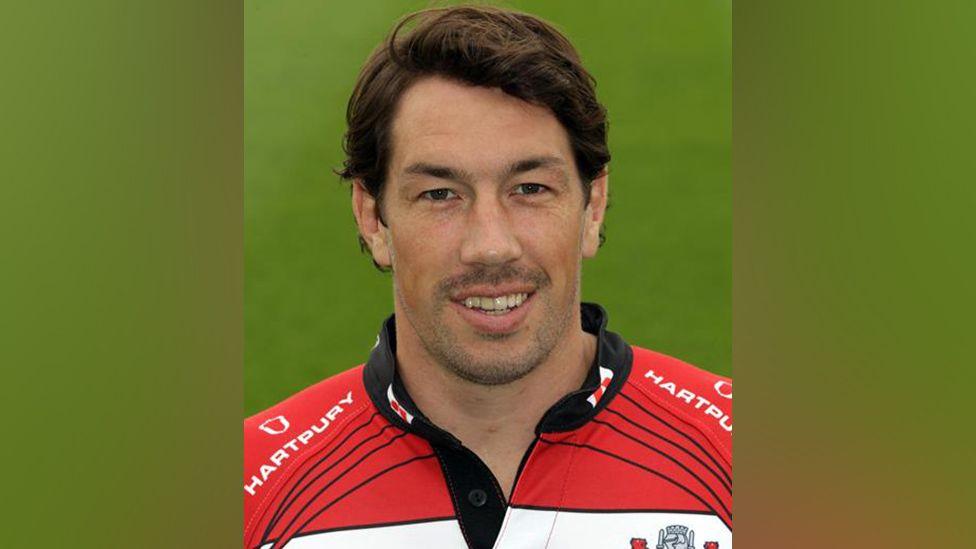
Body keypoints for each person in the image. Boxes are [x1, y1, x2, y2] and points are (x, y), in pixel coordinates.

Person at [244, 6, 731, 549]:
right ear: (372, 217)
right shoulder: (250, 489)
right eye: (439, 195)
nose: (491, 246)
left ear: (593, 206)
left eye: (530, 189)